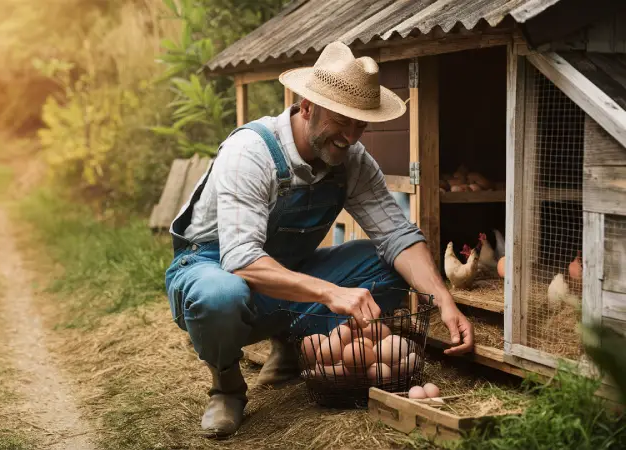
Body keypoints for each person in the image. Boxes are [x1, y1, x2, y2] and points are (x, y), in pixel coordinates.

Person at [164, 41, 474, 439]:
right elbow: (241, 258)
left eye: (360, 124)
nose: (350, 136)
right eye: (341, 121)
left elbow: (397, 235)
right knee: (221, 295)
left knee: (385, 266)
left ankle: (296, 349)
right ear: (306, 106)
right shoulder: (251, 152)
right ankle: (226, 386)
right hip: (211, 268)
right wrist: (331, 293)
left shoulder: (354, 162)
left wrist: (444, 299)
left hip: (286, 275)